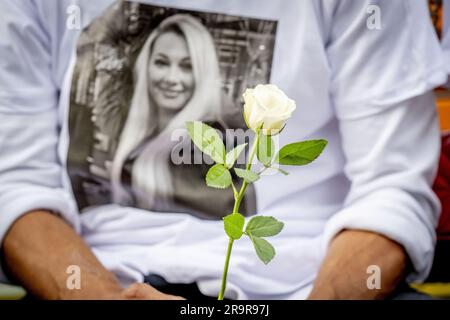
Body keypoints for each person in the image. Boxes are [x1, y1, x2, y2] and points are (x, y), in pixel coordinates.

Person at [0, 0, 446, 300]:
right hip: (101, 281)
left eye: (189, 65)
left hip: (302, 287)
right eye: (162, 61)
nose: (173, 78)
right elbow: (15, 185)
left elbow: (391, 192)